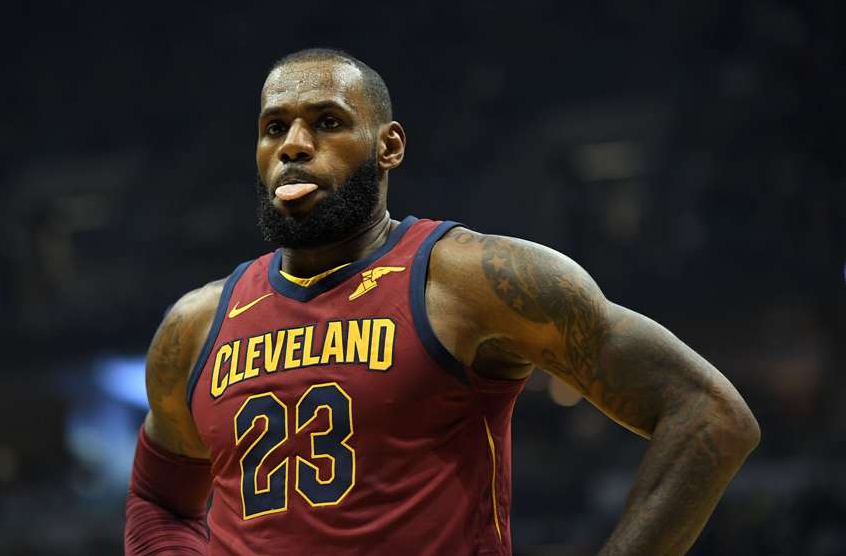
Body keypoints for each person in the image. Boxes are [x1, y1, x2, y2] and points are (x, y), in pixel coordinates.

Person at [124, 48, 759, 556]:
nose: (293, 144)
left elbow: (708, 415)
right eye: (273, 128)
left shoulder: (471, 279)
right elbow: (159, 505)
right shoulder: (197, 325)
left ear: (389, 145)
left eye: (327, 122)